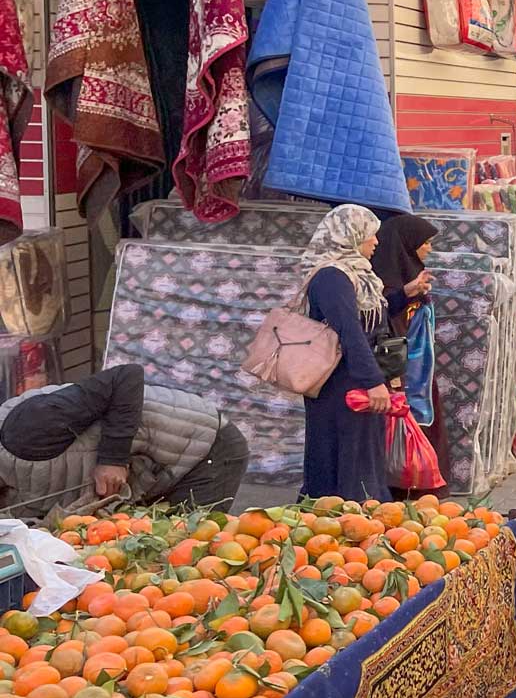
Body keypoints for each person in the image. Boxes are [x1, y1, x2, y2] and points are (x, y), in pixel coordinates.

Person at [0, 364, 246, 519]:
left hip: (206, 448)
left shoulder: (25, 428)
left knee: (190, 554)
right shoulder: (10, 498)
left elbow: (126, 377)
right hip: (153, 475)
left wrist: (112, 459)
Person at [298, 204, 393, 502]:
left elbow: (371, 324)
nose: (376, 242)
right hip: (340, 385)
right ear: (349, 235)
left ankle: (363, 519)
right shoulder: (331, 277)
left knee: (362, 455)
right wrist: (372, 381)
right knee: (343, 457)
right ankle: (340, 521)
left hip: (354, 379)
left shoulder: (359, 276)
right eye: (370, 235)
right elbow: (349, 332)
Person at [372, 212, 446, 495]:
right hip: (397, 367)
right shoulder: (382, 278)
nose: (429, 248)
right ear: (406, 243)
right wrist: (406, 292)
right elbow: (382, 311)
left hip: (419, 367)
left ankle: (422, 484)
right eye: (425, 242)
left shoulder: (411, 271)